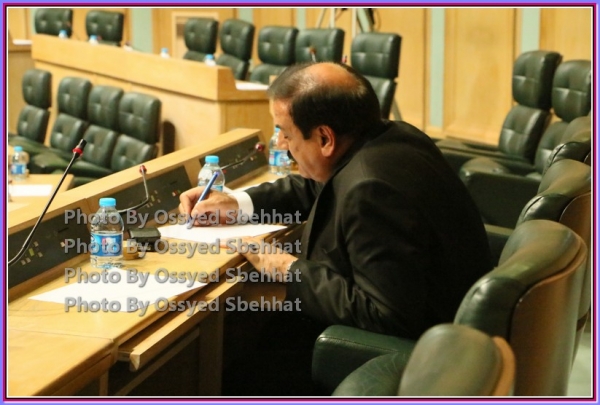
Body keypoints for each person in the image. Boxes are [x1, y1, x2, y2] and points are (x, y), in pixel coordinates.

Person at [179, 62, 492, 394]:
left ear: (325, 138)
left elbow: (384, 314)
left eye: (286, 133)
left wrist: (286, 267)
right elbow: (318, 186)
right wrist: (236, 203)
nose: (281, 143)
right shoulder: (390, 138)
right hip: (443, 330)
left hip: (405, 361)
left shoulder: (371, 190)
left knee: (229, 374)